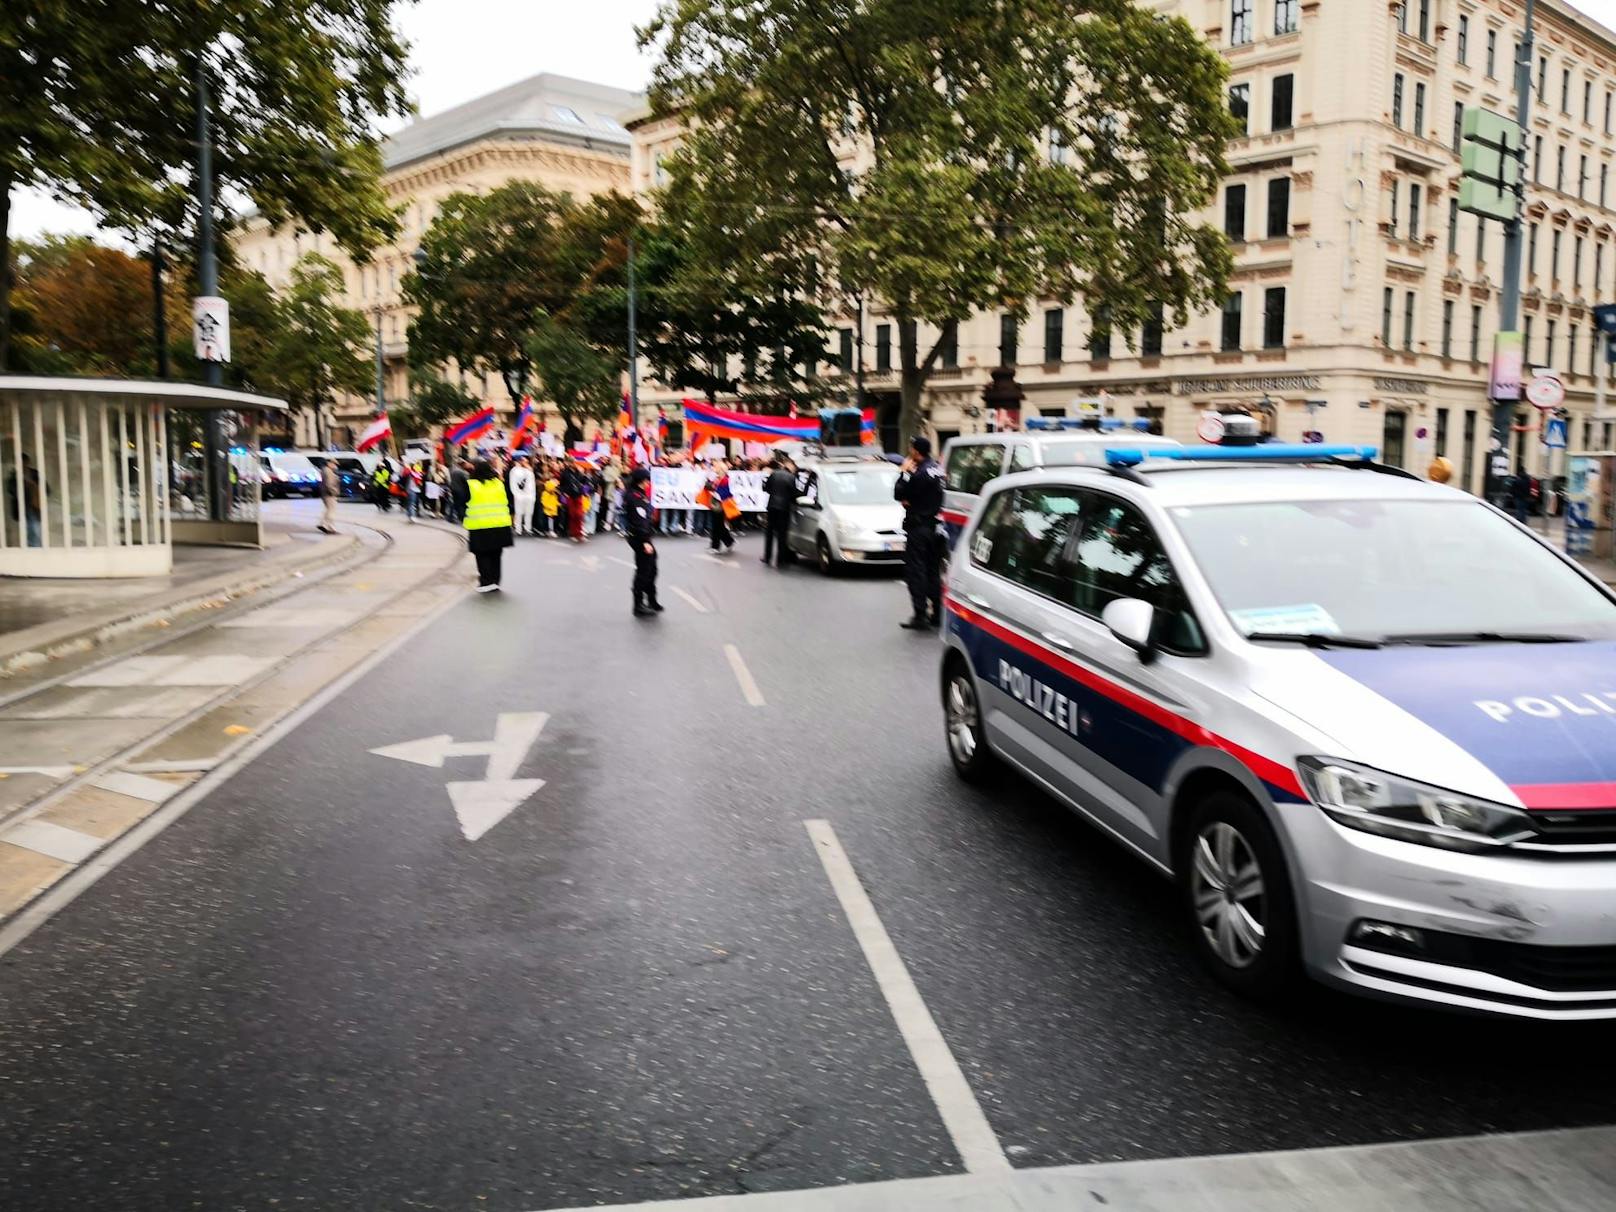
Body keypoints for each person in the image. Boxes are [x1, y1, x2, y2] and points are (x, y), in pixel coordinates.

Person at [894, 435, 945, 630]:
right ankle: (938, 613)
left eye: (912, 448)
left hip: (919, 527)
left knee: (916, 571)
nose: (910, 452)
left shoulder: (919, 473)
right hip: (936, 528)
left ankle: (920, 614)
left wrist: (904, 472)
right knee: (933, 571)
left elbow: (899, 493)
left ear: (916, 451)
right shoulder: (937, 469)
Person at [463, 459, 514, 592]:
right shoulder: (498, 483)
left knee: (482, 554)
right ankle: (495, 580)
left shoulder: (471, 484)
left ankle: (486, 581)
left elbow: (464, 500)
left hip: (480, 525)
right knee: (496, 554)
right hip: (500, 523)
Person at [623, 465, 663, 616]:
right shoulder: (635, 497)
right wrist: (645, 541)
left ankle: (651, 599)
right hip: (639, 537)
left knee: (652, 569)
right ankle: (638, 604)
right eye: (647, 480)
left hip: (643, 535)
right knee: (644, 570)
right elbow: (639, 521)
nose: (648, 483)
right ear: (641, 480)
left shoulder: (639, 494)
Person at [762, 455, 796, 567]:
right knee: (782, 534)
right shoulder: (792, 477)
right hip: (784, 508)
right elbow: (793, 494)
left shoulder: (774, 474)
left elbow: (766, 488)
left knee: (770, 533)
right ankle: (780, 559)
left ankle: (767, 557)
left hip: (772, 506)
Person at [707, 460, 736, 553]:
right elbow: (708, 487)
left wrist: (715, 493)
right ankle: (729, 541)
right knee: (718, 526)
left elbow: (726, 493)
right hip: (715, 504)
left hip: (721, 505)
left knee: (717, 526)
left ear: (720, 469)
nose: (714, 468)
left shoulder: (725, 479)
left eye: (715, 467)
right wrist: (709, 483)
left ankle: (715, 547)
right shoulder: (717, 478)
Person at [509, 454, 536, 537]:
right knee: (519, 512)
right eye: (523, 460)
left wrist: (533, 496)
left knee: (529, 512)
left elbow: (532, 484)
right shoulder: (514, 470)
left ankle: (528, 528)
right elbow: (512, 483)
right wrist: (516, 494)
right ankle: (518, 529)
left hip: (529, 495)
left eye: (526, 460)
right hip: (519, 495)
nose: (525, 461)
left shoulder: (529, 471)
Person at [318, 458, 340, 534]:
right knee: (331, 511)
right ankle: (329, 527)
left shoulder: (324, 470)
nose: (336, 466)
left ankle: (323, 524)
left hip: (325, 493)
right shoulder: (328, 471)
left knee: (328, 510)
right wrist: (334, 492)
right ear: (329, 463)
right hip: (329, 494)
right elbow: (329, 484)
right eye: (335, 464)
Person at [540, 465, 561, 537]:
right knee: (547, 519)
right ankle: (548, 530)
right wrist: (547, 506)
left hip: (553, 509)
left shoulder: (553, 494)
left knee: (552, 520)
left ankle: (551, 530)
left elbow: (555, 500)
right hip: (548, 509)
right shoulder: (545, 493)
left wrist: (558, 504)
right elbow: (543, 501)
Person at [449, 458, 471, 525]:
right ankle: (462, 518)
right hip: (461, 491)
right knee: (461, 504)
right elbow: (467, 481)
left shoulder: (453, 471)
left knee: (454, 503)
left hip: (453, 490)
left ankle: (451, 517)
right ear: (463, 465)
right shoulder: (462, 472)